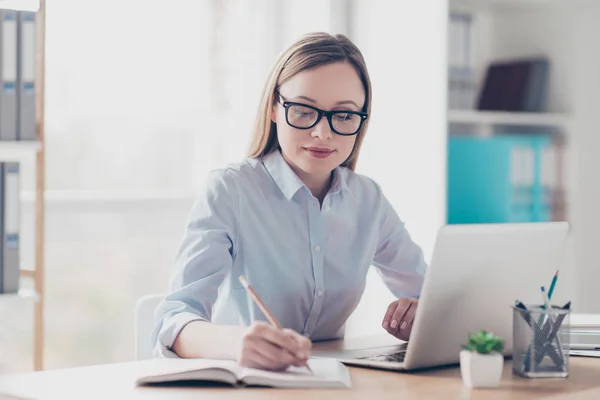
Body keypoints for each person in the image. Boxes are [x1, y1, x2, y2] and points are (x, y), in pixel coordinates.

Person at [151, 32, 427, 371]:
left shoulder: (368, 200)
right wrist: (238, 343)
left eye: (343, 116)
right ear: (273, 108)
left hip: (328, 385)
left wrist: (421, 316)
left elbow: (432, 297)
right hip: (244, 383)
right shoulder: (230, 189)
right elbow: (174, 321)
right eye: (303, 110)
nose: (322, 133)